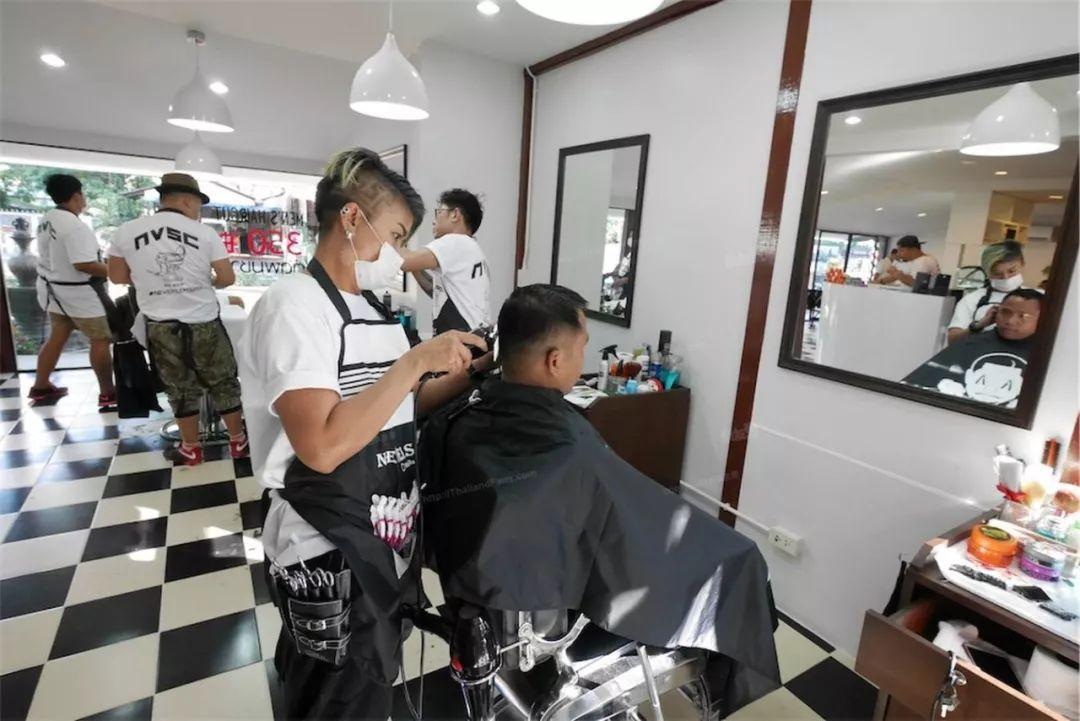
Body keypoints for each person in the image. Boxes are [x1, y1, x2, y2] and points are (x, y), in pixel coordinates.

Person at [420, 284, 781, 717]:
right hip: (552, 618)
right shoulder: (567, 448)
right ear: (555, 361)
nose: (583, 358)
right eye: (582, 348)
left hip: (480, 606)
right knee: (741, 562)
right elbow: (629, 527)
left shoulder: (457, 418)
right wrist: (729, 557)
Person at [236, 148, 488, 720]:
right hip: (324, 545)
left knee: (369, 685)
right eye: (394, 236)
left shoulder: (371, 309)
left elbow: (400, 406)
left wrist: (470, 370)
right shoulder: (294, 307)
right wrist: (414, 361)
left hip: (380, 536)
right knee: (334, 699)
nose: (397, 254)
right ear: (351, 218)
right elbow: (322, 447)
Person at [108, 173, 246, 465]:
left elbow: (117, 276)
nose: (198, 211)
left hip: (161, 325)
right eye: (198, 205)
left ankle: (191, 447)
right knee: (223, 381)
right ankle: (237, 441)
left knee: (179, 387)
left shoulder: (127, 231)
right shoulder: (204, 233)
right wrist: (205, 282)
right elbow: (227, 277)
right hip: (204, 322)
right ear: (186, 200)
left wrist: (150, 281)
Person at [31, 174, 117, 408]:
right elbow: (84, 264)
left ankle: (41, 386)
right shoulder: (74, 226)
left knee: (58, 335)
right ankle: (108, 392)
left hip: (53, 289)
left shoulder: (47, 219)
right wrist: (115, 271)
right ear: (77, 195)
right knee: (100, 339)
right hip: (79, 293)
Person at [902, 289, 1043, 408]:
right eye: (1005, 312)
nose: (1010, 321)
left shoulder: (1046, 355)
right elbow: (914, 388)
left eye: (1023, 316)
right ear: (995, 313)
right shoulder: (971, 344)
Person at [399, 188, 491, 334]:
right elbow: (435, 290)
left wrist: (394, 234)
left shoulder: (455, 242)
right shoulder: (472, 249)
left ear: (454, 214)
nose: (434, 220)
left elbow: (402, 261)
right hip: (475, 336)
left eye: (438, 212)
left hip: (463, 338)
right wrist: (415, 266)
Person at [947, 240, 1030, 345]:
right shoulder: (972, 300)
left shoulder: (1038, 298)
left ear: (1022, 264)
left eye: (1011, 271)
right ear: (987, 273)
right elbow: (952, 340)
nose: (1005, 277)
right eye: (997, 273)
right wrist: (979, 325)